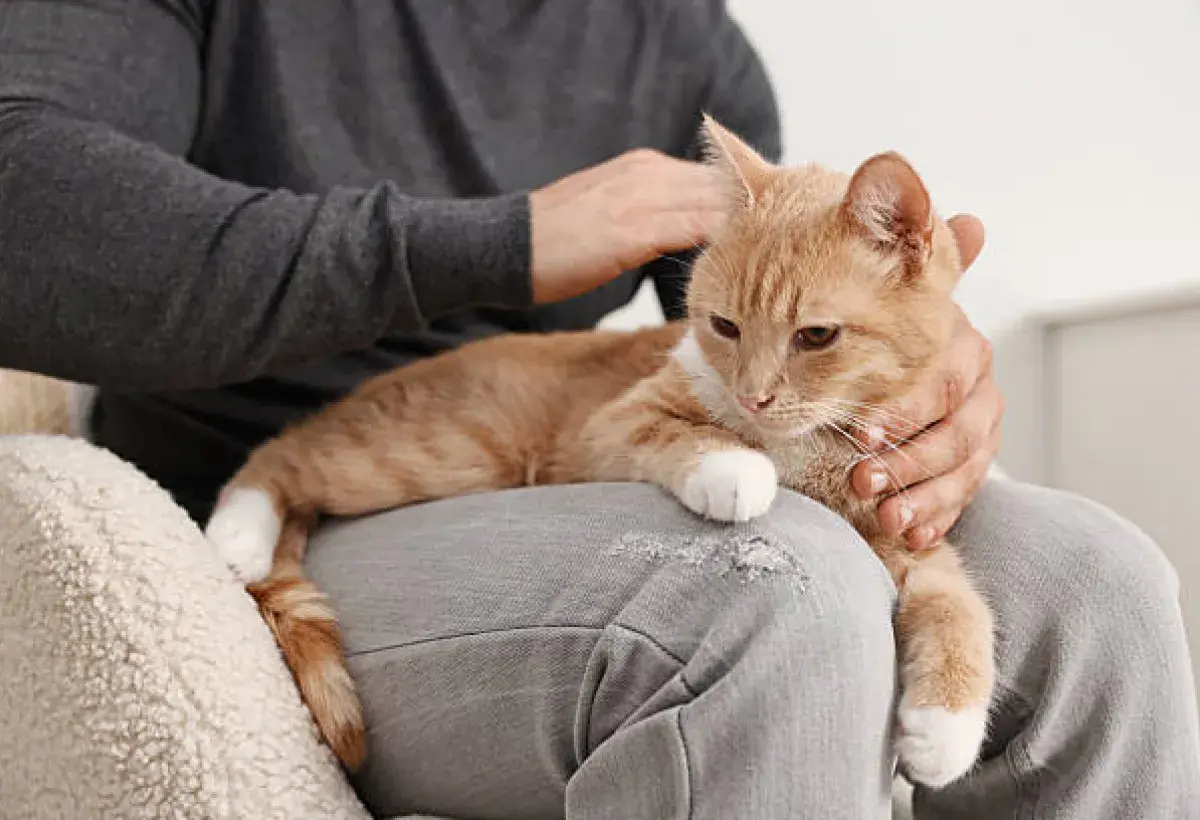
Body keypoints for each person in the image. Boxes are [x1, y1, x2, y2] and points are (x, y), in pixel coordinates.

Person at [0, 1, 1196, 817]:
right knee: (773, 592)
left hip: (580, 466)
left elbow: (782, 298)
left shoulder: (680, 36)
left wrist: (934, 363)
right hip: (330, 486)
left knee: (1101, 584)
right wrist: (506, 242)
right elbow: (21, 210)